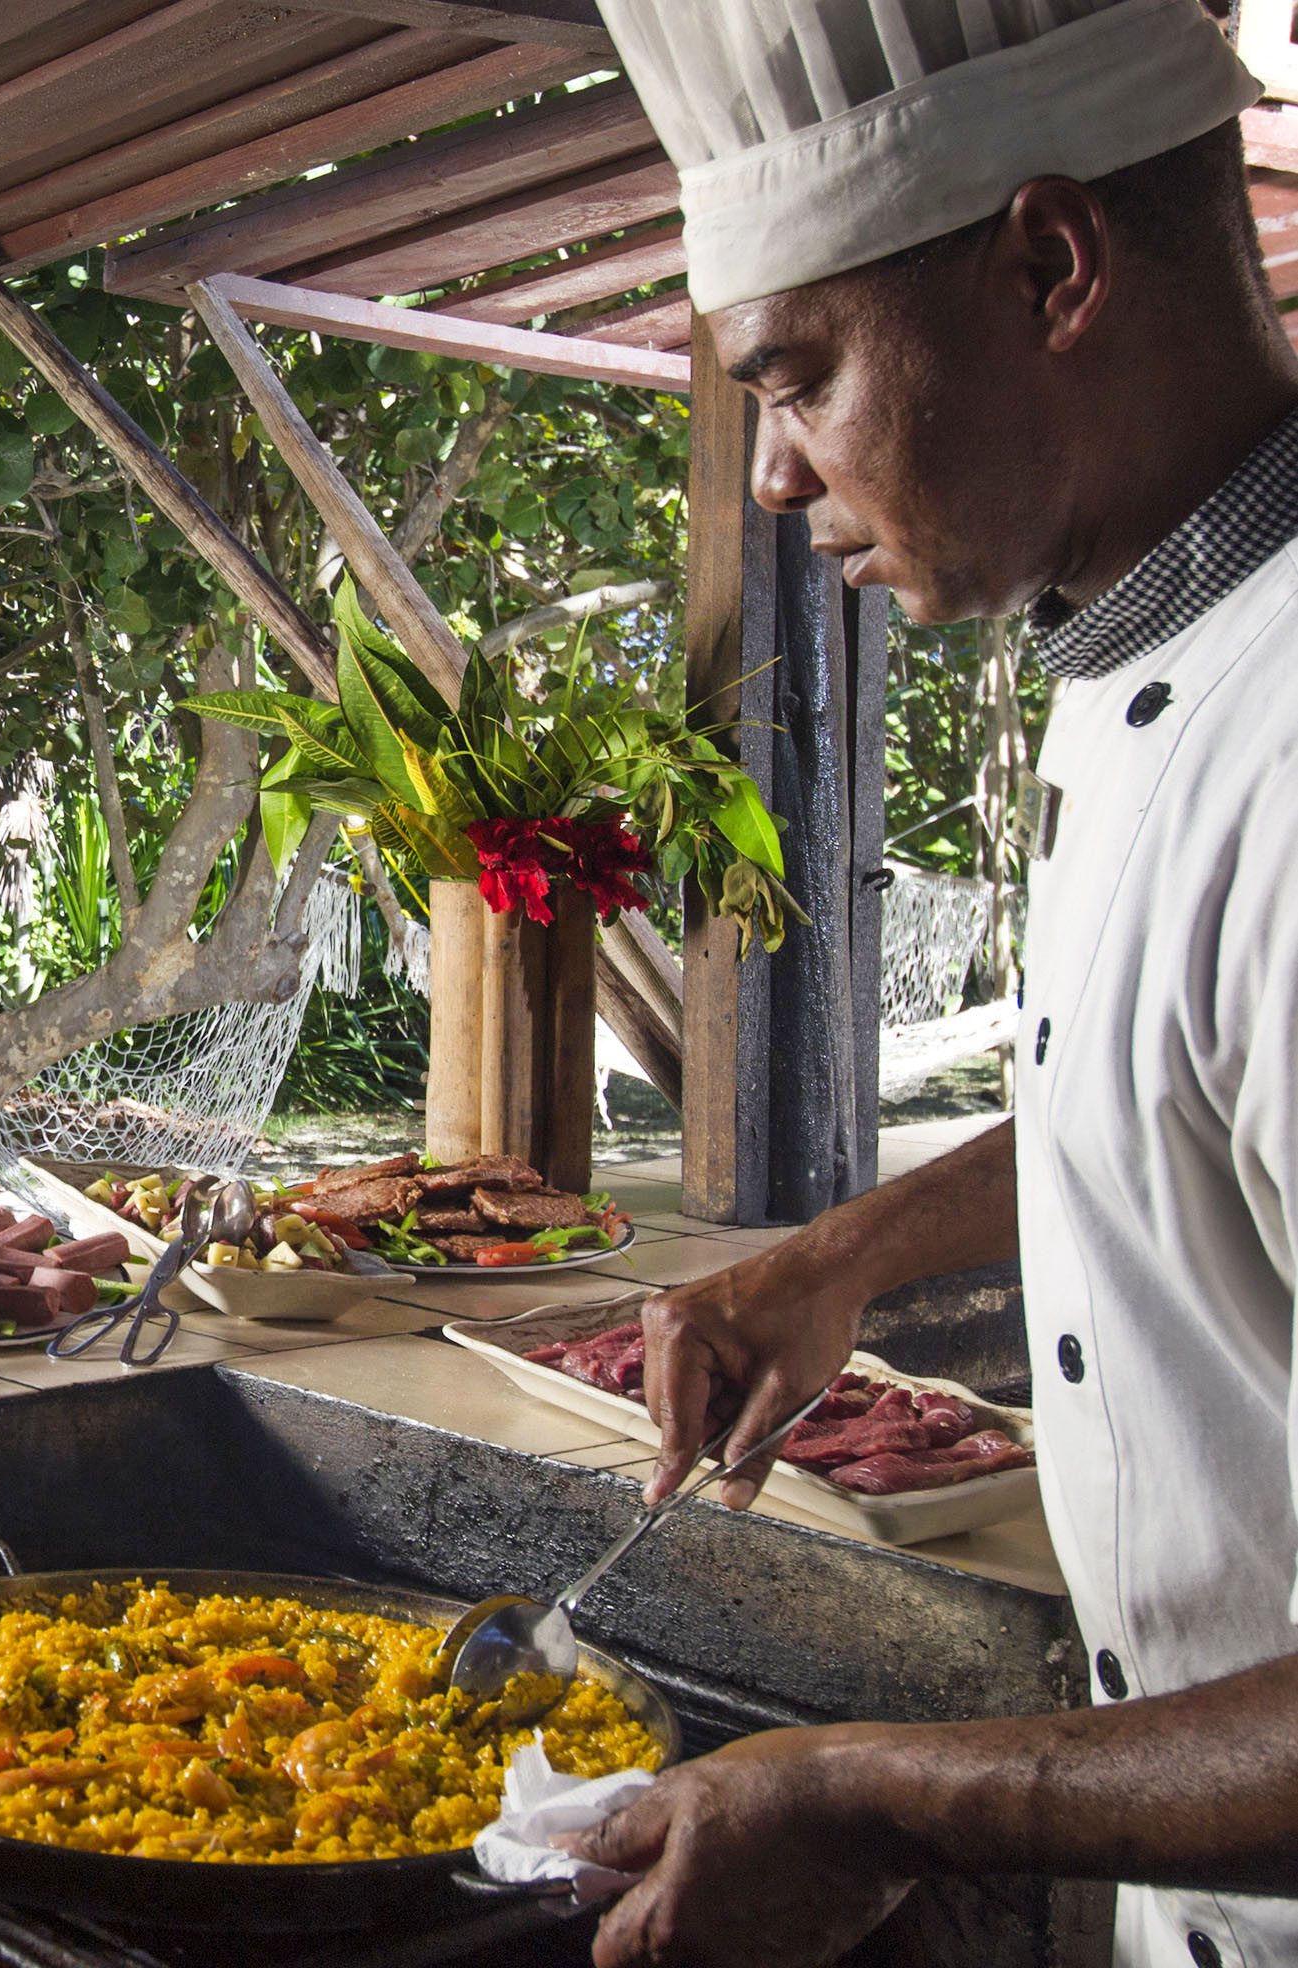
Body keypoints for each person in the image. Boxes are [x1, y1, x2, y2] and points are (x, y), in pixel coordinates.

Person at [561, 3, 1298, 1965]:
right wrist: (846, 1256)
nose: (771, 476)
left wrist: (871, 1793)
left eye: (795, 377)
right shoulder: (1154, 644)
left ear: (1048, 265)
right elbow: (1165, 1097)